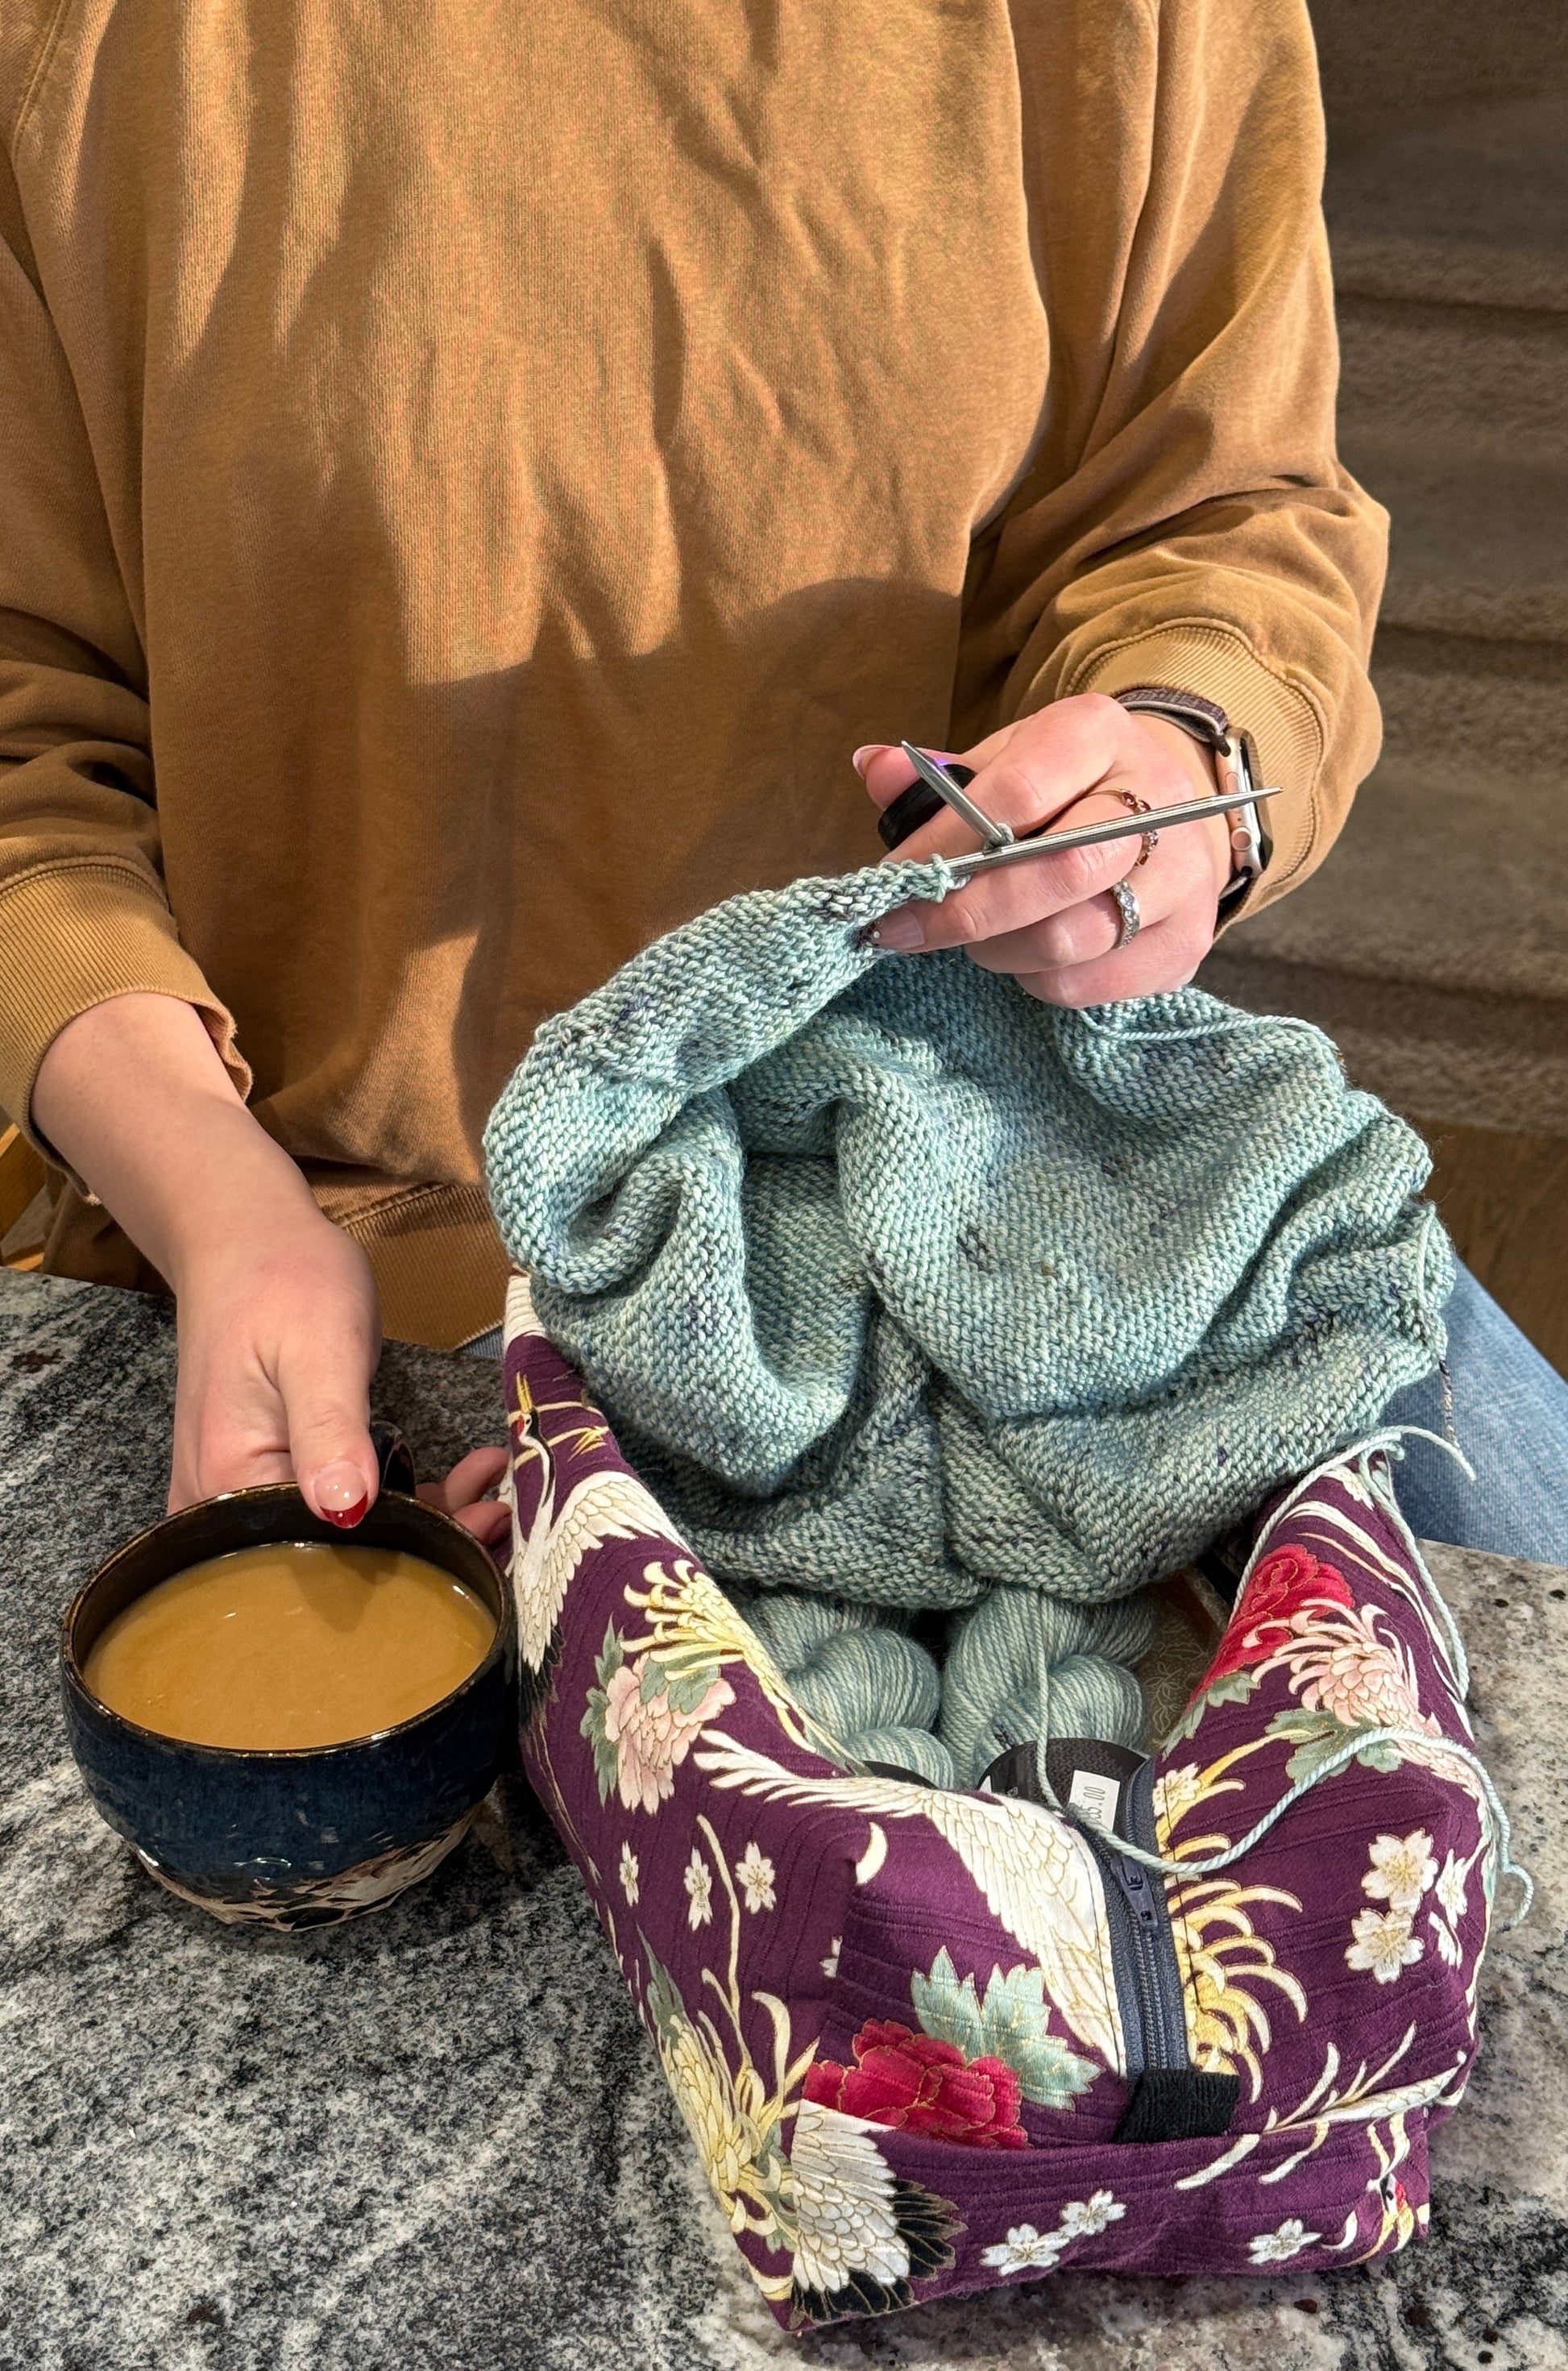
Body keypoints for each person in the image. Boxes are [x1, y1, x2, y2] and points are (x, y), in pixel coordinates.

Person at [2, 1, 1562, 1561]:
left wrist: (1177, 758)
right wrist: (217, 1201)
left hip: (983, 1191)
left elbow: (1218, 515)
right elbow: (31, 742)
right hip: (288, 1241)